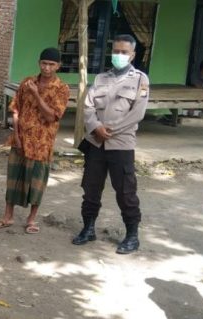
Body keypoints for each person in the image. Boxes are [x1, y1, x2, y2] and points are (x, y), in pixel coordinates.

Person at [72, 34, 149, 254]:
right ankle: (88, 228)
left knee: (125, 191)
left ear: (133, 54)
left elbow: (137, 113)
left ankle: (132, 236)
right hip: (96, 143)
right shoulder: (100, 79)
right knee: (90, 188)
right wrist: (96, 127)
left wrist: (110, 130)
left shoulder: (140, 80)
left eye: (124, 52)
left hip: (121, 145)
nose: (119, 55)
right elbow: (87, 107)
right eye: (116, 51)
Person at [0, 48, 70, 234]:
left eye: (51, 64)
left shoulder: (62, 89)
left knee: (37, 181)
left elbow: (51, 117)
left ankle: (31, 219)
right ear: (39, 63)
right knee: (14, 177)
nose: (47, 68)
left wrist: (37, 95)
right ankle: (8, 216)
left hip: (42, 144)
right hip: (21, 140)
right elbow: (15, 109)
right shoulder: (27, 82)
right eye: (44, 63)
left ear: (58, 66)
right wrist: (15, 134)